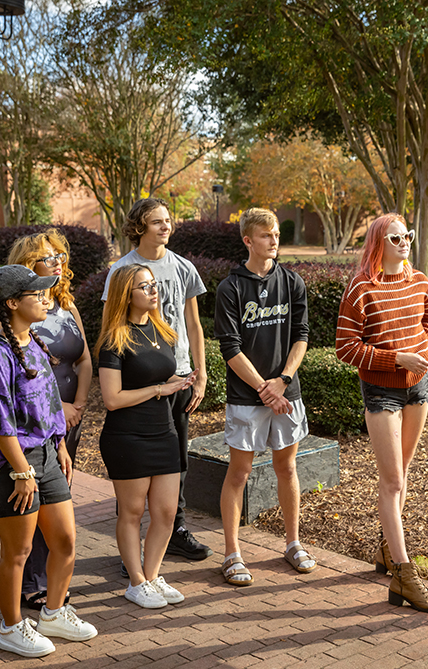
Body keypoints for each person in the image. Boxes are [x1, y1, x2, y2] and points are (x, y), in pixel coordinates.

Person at [0, 265, 98, 658]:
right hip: (9, 465)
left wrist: (59, 443)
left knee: (65, 541)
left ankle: (54, 613)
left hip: (45, 456)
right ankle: (11, 627)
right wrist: (22, 471)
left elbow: (46, 403)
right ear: (12, 303)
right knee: (19, 552)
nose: (46, 299)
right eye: (36, 294)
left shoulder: (35, 342)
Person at [335, 213, 428, 613]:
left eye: (408, 236)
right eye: (396, 237)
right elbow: (346, 347)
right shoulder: (362, 287)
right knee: (393, 480)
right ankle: (403, 574)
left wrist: (419, 343)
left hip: (418, 388)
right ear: (378, 242)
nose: (404, 243)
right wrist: (397, 357)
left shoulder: (419, 281)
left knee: (403, 472)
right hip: (381, 391)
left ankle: (387, 548)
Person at [102, 198, 212, 564]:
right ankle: (130, 553)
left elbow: (193, 325)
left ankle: (175, 528)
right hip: (138, 376)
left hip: (176, 374)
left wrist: (200, 373)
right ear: (139, 227)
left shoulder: (182, 267)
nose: (166, 227)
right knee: (134, 472)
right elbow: (110, 329)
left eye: (168, 221)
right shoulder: (123, 270)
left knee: (174, 461)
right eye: (156, 222)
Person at [214, 207, 316, 586]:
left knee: (287, 468)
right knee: (239, 473)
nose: (274, 240)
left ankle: (292, 543)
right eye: (266, 235)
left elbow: (301, 335)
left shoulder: (293, 283)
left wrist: (283, 381)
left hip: (286, 393)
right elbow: (230, 348)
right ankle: (232, 553)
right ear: (248, 240)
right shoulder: (231, 288)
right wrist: (264, 388)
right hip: (247, 397)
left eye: (276, 234)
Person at [96, 264, 196, 608]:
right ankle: (136, 581)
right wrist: (158, 389)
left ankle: (152, 576)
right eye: (144, 286)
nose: (154, 290)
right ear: (127, 294)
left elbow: (166, 378)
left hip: (163, 431)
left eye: (154, 284)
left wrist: (181, 384)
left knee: (167, 511)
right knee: (133, 511)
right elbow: (112, 399)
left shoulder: (162, 331)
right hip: (127, 436)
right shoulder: (114, 340)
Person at [6, 230, 92, 612]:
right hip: (36, 423)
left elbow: (85, 360)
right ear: (29, 265)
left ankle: (50, 577)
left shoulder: (67, 307)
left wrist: (80, 404)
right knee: (36, 498)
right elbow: (21, 374)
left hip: (70, 420)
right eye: (47, 256)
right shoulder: (20, 312)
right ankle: (32, 580)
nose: (57, 261)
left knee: (59, 497)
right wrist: (61, 410)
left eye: (59, 255)